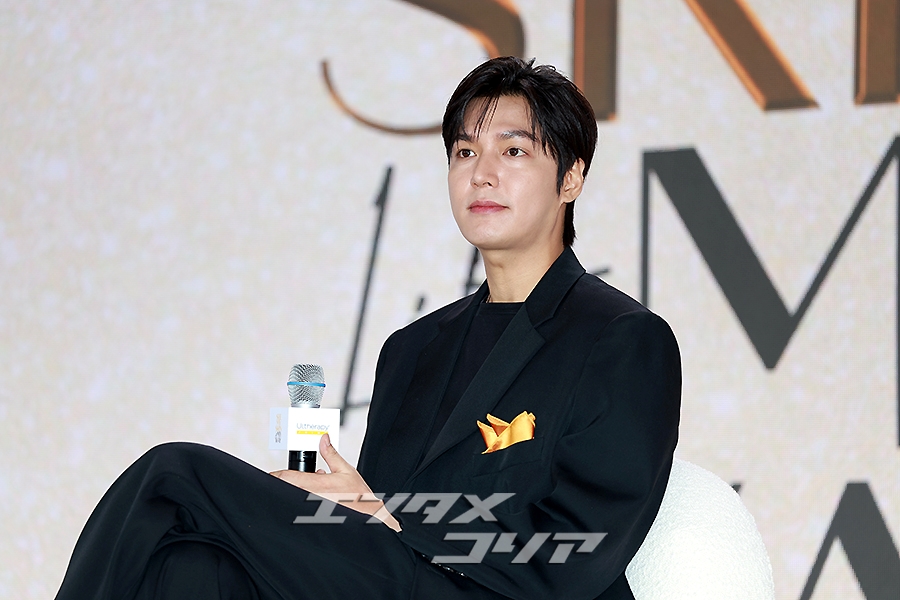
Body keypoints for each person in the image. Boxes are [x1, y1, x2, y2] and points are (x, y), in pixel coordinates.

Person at [55, 57, 680, 600]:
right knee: (191, 566)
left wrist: (396, 515)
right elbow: (370, 525)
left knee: (174, 474)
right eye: (465, 152)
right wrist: (342, 508)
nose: (481, 174)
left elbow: (578, 547)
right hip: (394, 583)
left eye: (513, 151)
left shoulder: (622, 340)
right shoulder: (413, 350)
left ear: (571, 177)